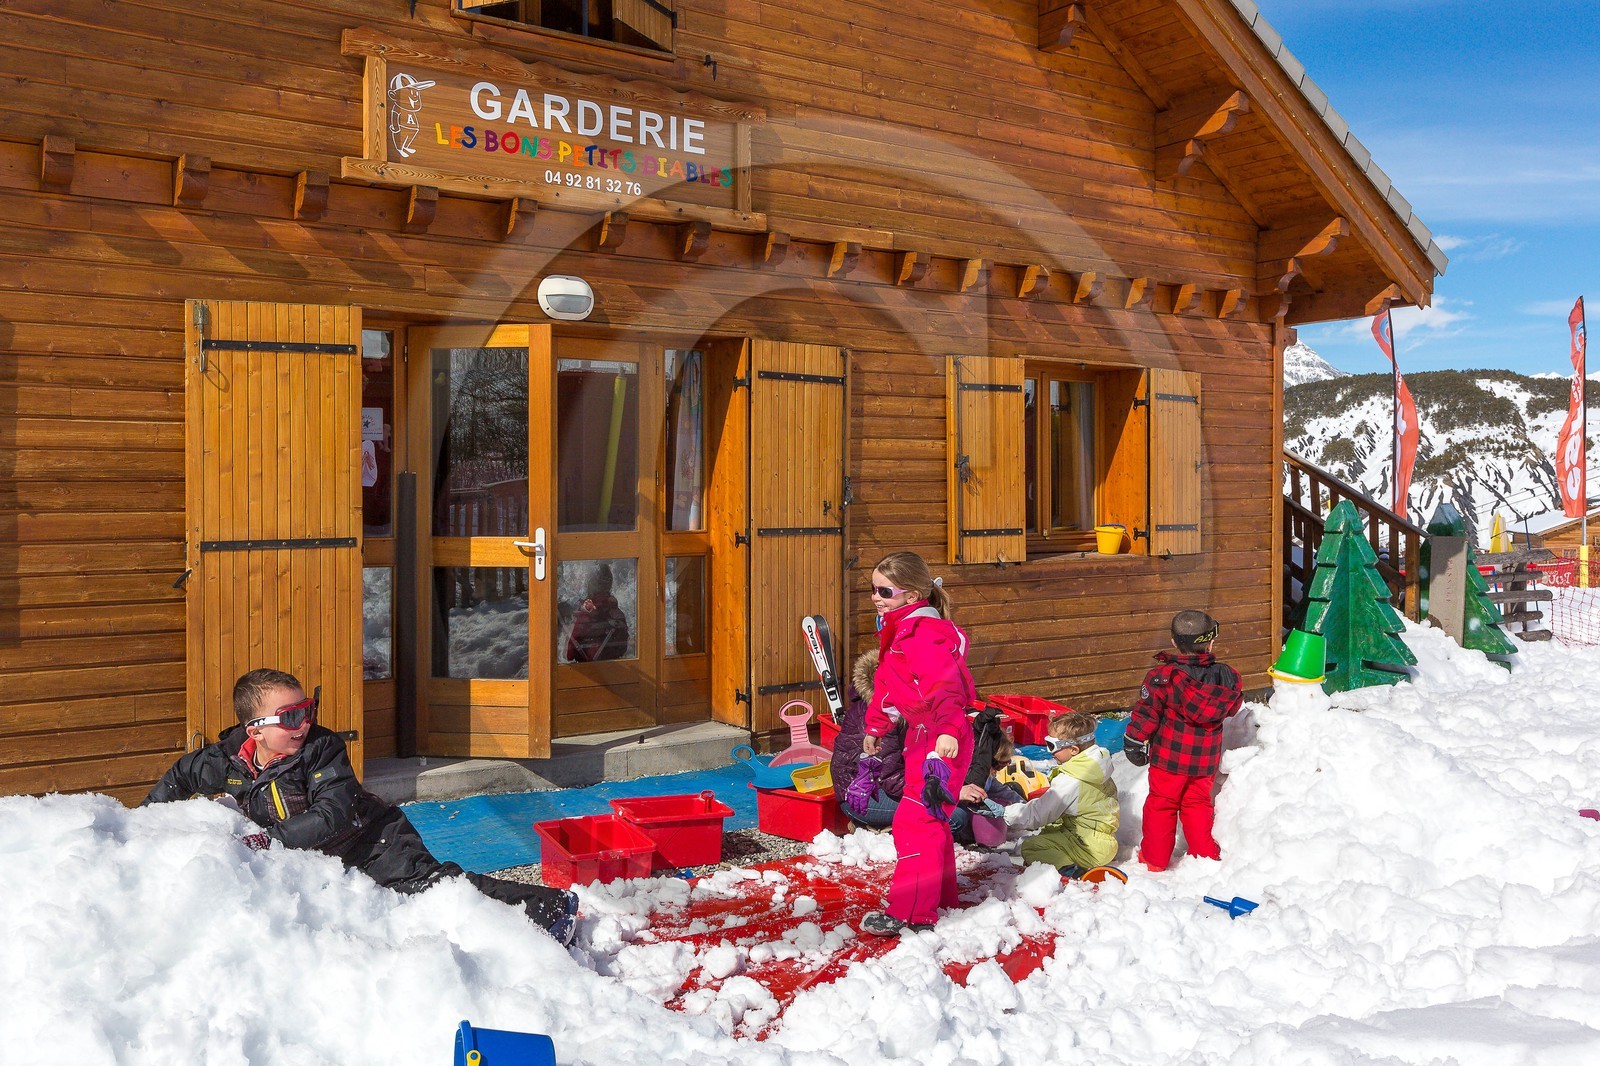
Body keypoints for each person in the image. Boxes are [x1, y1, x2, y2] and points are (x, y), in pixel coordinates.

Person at [143, 668, 581, 945]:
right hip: (326, 857)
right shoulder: (225, 761)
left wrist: (269, 839)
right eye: (291, 717)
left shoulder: (320, 749)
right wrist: (140, 822)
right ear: (254, 730)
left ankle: (550, 908)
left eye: (307, 710)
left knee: (437, 891)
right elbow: (179, 776)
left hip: (376, 839)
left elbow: (333, 814)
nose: (305, 723)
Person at [858, 551, 977, 936]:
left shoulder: (922, 634)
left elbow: (947, 687)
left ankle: (909, 911)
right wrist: (876, 726)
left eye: (885, 591)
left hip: (943, 739)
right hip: (921, 735)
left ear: (910, 596)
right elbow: (889, 688)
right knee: (932, 819)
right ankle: (939, 897)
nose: (876, 597)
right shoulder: (899, 630)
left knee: (916, 820)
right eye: (873, 589)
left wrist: (947, 730)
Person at [1122, 610, 1245, 872]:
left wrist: (1134, 739)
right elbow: (1233, 708)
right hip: (1204, 760)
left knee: (1161, 805)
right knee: (1198, 804)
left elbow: (1147, 712)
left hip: (1169, 758)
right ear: (1210, 642)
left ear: (1175, 642)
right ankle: (1204, 855)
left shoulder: (1162, 677)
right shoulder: (1227, 676)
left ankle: (1155, 860)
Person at [1003, 711, 1120, 877]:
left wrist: (1004, 812)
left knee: (1032, 847)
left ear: (1073, 749)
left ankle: (1070, 870)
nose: (1048, 750)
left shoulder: (1071, 780)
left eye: (1052, 745)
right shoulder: (1097, 767)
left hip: (1086, 846)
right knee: (1049, 834)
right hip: (1103, 841)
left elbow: (1039, 814)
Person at [832, 649, 907, 828]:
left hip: (881, 786)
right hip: (862, 795)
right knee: (952, 815)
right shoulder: (885, 714)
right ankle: (873, 827)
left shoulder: (888, 707)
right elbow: (892, 778)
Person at [565, 563, 629, 662]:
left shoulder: (585, 614)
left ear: (590, 584)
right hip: (613, 668)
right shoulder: (618, 614)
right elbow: (623, 648)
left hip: (587, 671)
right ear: (609, 585)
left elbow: (569, 655)